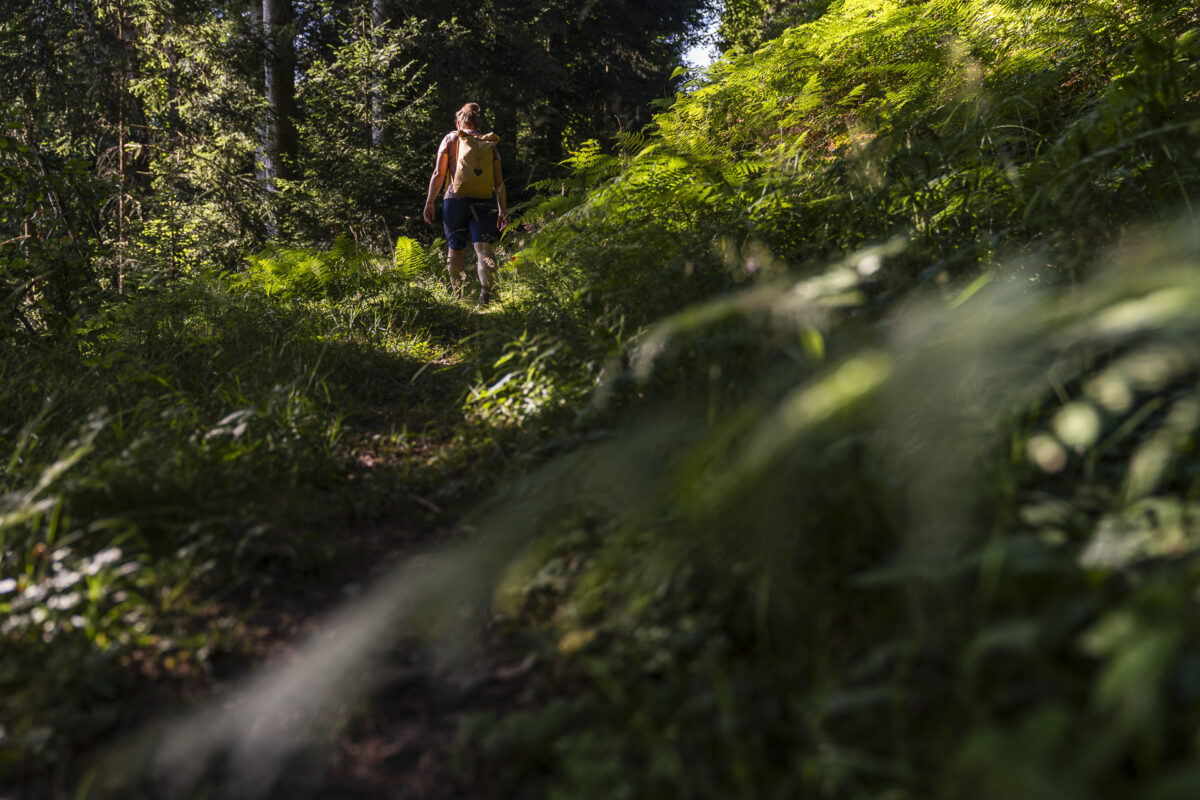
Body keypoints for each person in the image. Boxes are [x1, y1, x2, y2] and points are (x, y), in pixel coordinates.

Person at [422, 102, 509, 305]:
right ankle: (486, 295)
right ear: (477, 123)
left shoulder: (451, 138)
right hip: (485, 202)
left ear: (458, 123)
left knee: (456, 250)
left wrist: (429, 202)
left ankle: (458, 297)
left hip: (454, 201)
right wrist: (502, 210)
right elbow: (499, 183)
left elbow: (438, 173)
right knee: (484, 249)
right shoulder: (488, 143)